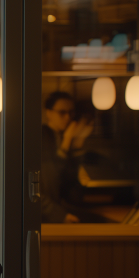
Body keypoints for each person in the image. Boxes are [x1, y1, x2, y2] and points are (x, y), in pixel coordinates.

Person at [41, 91, 93, 223]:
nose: (67, 117)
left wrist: (76, 147)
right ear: (49, 113)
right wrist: (60, 215)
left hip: (64, 208)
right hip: (46, 216)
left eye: (71, 113)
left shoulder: (65, 138)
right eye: (62, 112)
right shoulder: (42, 137)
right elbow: (50, 180)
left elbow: (72, 186)